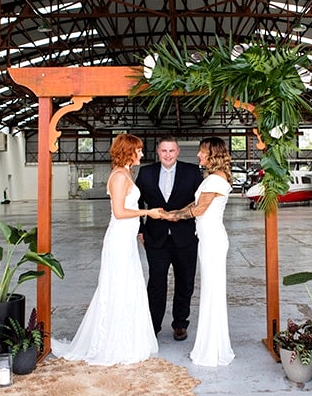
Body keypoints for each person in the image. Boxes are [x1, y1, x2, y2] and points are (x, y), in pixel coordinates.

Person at [52, 133, 162, 365]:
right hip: (120, 239)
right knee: (119, 286)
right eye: (138, 150)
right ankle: (113, 342)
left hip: (127, 239)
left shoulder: (126, 173)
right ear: (128, 151)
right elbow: (120, 212)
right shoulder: (120, 176)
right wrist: (147, 213)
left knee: (128, 285)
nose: (142, 153)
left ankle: (127, 338)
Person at [163, 137, 235, 367]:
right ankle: (212, 343)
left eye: (202, 152)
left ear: (212, 154)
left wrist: (167, 216)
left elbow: (198, 209)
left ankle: (212, 349)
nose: (198, 156)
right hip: (207, 238)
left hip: (213, 239)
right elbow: (193, 206)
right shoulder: (213, 178)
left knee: (213, 291)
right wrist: (171, 212)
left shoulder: (215, 178)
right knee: (211, 291)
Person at [135, 135, 203, 341]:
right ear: (158, 151)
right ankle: (153, 326)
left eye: (171, 151)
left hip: (186, 238)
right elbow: (137, 203)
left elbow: (200, 203)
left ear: (178, 151)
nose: (168, 155)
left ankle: (180, 324)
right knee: (156, 283)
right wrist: (140, 230)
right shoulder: (146, 173)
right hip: (155, 238)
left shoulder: (192, 172)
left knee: (185, 282)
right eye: (164, 151)